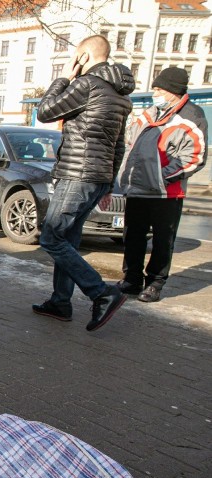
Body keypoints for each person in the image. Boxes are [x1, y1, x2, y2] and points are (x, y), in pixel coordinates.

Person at [34, 35, 135, 331]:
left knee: (52, 237)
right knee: (68, 241)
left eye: (76, 57)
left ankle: (101, 293)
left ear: (83, 56)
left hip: (78, 174)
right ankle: (60, 302)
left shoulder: (87, 85)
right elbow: (118, 145)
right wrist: (109, 183)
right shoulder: (121, 96)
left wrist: (65, 76)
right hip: (98, 177)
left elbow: (45, 111)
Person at [117, 67, 207, 303]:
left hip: (166, 193)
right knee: (133, 236)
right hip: (137, 189)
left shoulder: (191, 116)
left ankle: (155, 283)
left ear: (172, 91)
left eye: (158, 89)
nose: (154, 92)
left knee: (162, 240)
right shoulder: (150, 113)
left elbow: (194, 156)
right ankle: (131, 279)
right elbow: (131, 146)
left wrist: (161, 176)